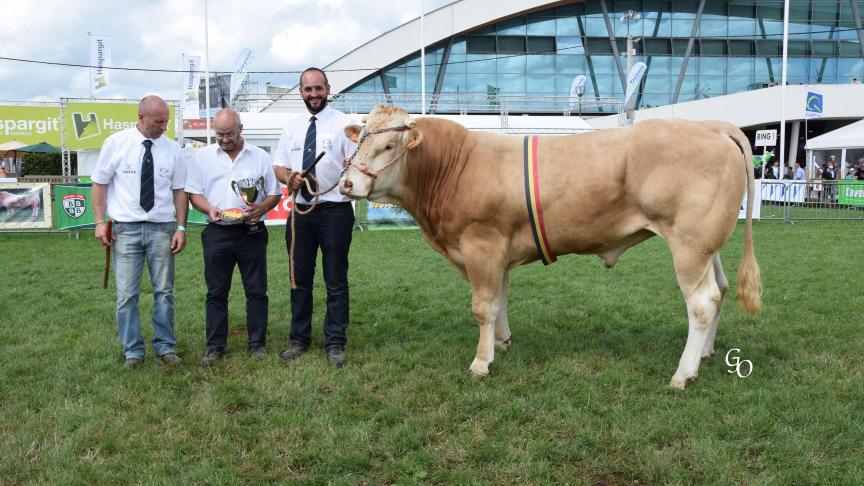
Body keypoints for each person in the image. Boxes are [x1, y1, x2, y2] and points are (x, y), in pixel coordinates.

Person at [91, 95, 188, 369]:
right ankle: (132, 351)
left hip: (162, 229)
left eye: (167, 121)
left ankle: (165, 346)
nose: (164, 127)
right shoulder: (116, 144)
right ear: (141, 117)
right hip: (125, 230)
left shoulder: (172, 149)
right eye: (159, 121)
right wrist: (100, 222)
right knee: (126, 295)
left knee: (165, 292)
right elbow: (99, 184)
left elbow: (180, 190)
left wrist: (181, 227)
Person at [273, 67, 357, 368]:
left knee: (335, 280)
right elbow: (279, 167)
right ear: (301, 92)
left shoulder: (346, 124)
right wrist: (289, 178)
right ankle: (299, 339)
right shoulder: (292, 126)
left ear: (328, 88)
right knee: (300, 280)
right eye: (308, 89)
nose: (313, 94)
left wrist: (351, 164)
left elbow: (356, 164)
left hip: (335, 210)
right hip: (300, 214)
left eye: (318, 88)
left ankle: (335, 342)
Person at [185, 109, 281, 365]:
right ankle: (215, 346)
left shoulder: (260, 157)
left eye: (229, 134)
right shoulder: (202, 157)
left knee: (257, 291)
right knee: (216, 292)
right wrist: (209, 209)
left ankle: (257, 344)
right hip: (217, 233)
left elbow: (274, 194)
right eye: (219, 135)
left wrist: (261, 208)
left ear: (241, 128)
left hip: (252, 232)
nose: (224, 139)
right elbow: (194, 194)